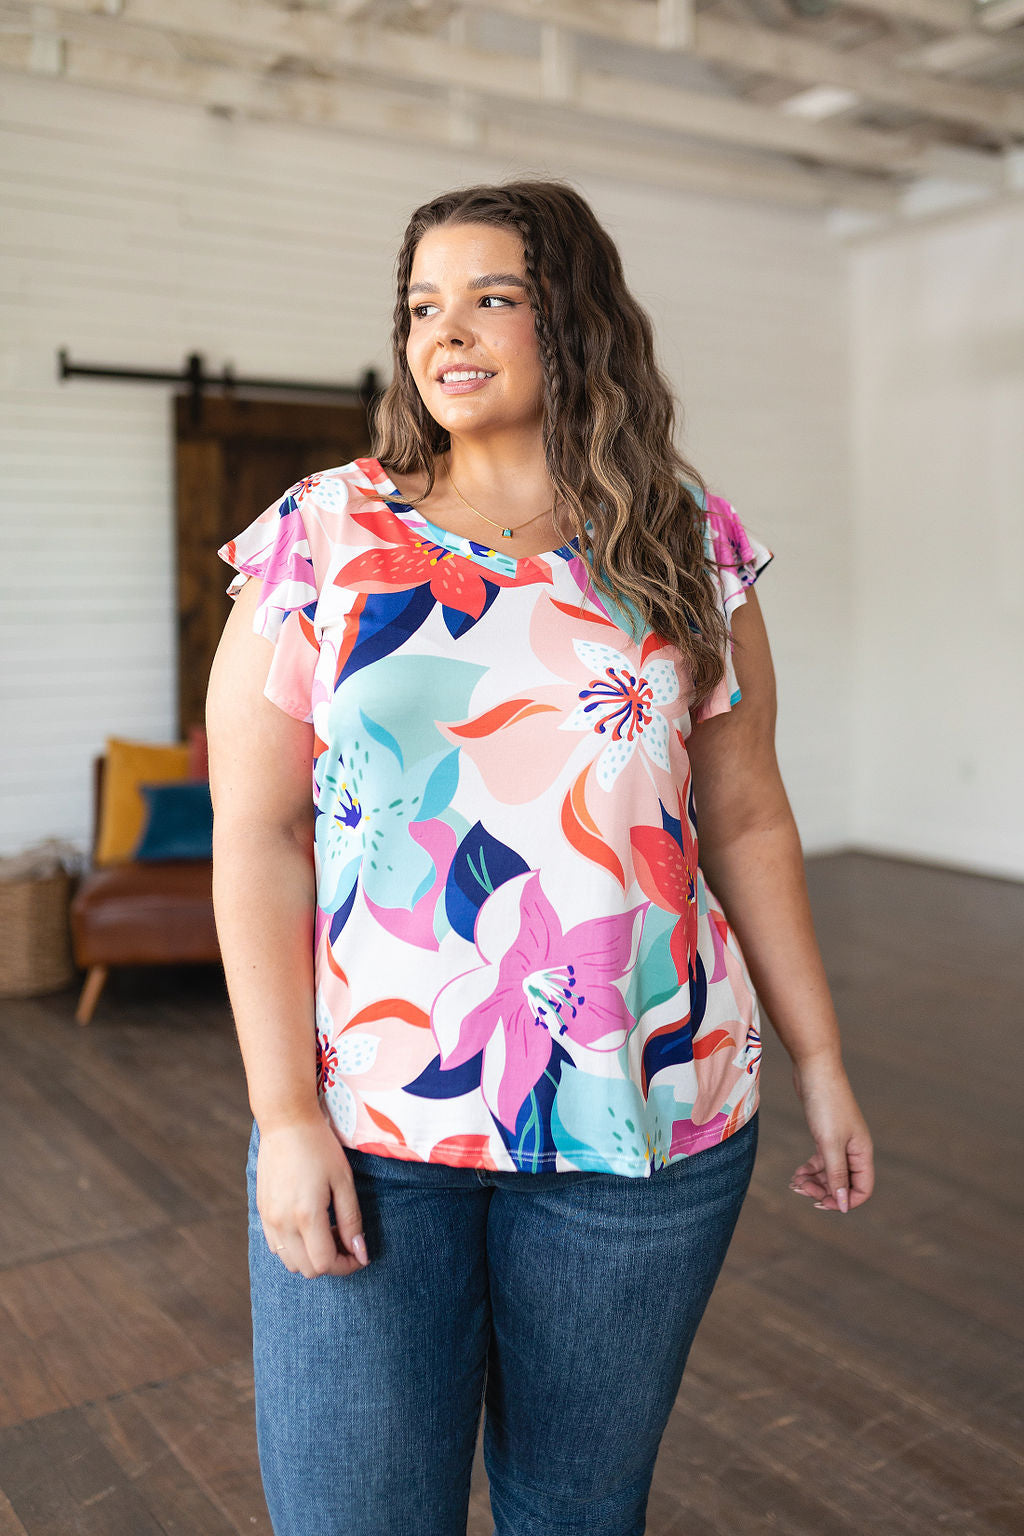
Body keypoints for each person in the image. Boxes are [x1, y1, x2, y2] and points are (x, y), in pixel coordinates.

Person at [206, 177, 875, 1536]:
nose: (447, 333)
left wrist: (822, 1062)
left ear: (573, 323)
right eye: (422, 307)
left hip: (651, 1116)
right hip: (375, 1118)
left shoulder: (687, 542)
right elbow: (257, 829)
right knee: (354, 1514)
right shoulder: (322, 537)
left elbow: (746, 818)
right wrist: (283, 1114)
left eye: (492, 297)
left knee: (578, 1506)